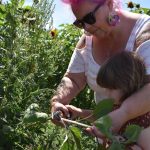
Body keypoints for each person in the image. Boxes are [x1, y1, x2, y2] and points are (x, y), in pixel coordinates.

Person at [50, 0, 150, 149]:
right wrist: (57, 101)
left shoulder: (145, 32)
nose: (87, 28)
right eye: (80, 23)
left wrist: (122, 114)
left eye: (90, 18)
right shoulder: (87, 40)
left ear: (109, 4)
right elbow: (73, 79)